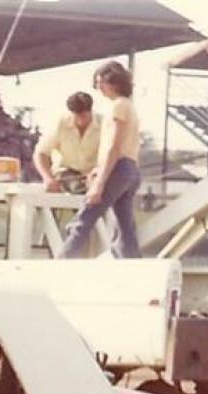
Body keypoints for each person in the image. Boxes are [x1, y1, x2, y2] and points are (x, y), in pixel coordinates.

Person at [61, 61, 141, 259]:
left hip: (118, 167)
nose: (98, 87)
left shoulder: (118, 107)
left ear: (114, 82)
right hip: (130, 167)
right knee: (125, 228)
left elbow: (114, 146)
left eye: (101, 82)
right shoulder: (128, 106)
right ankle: (133, 263)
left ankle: (63, 261)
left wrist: (99, 182)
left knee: (83, 219)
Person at [33, 92, 100, 193]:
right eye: (77, 116)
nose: (80, 120)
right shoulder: (60, 123)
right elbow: (41, 153)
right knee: (77, 188)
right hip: (66, 174)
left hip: (94, 173)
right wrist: (48, 178)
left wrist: (98, 172)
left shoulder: (104, 123)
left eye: (84, 116)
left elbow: (112, 152)